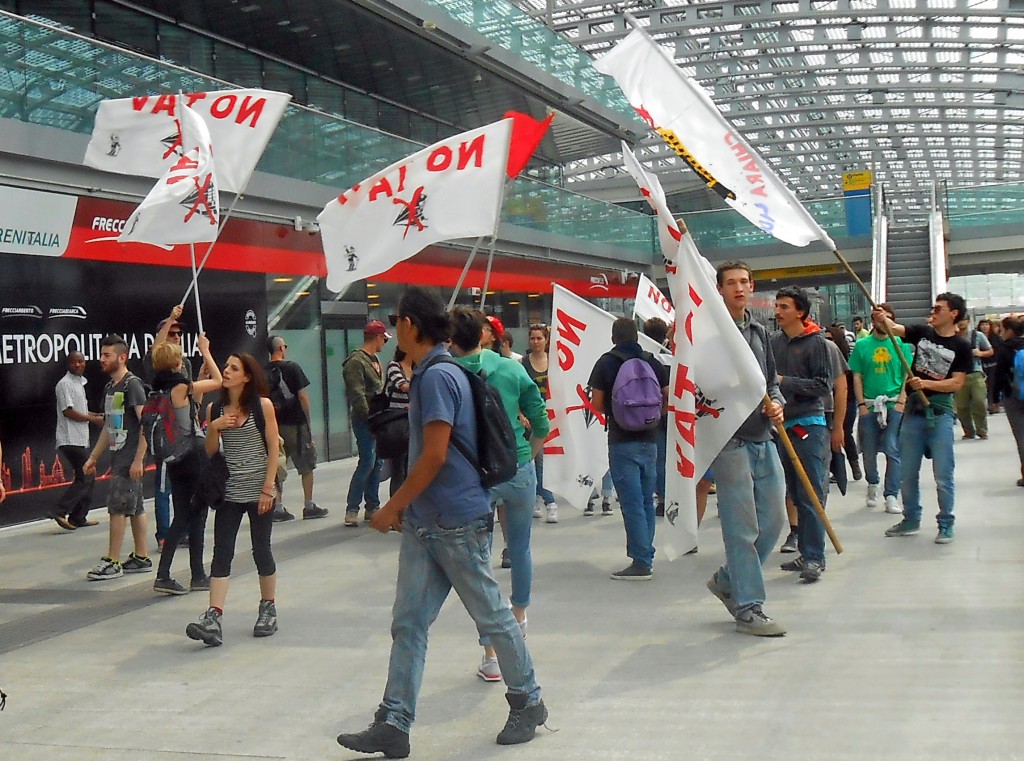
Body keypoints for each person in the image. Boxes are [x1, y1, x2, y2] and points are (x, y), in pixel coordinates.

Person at [336, 288, 547, 757]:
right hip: (429, 521)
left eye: (397, 321)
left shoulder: (436, 377)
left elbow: (434, 454)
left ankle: (528, 701)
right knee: (409, 622)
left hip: (454, 520)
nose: (394, 330)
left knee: (491, 616)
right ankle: (394, 722)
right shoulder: (437, 371)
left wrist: (392, 506)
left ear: (411, 326)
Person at [448, 307, 549, 682]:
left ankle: (491, 652)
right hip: (518, 468)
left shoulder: (450, 373)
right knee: (519, 547)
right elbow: (541, 420)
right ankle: (519, 616)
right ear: (485, 334)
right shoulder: (511, 367)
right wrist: (527, 455)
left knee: (479, 558)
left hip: (475, 476)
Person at [706, 262, 787, 636]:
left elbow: (770, 381)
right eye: (731, 283)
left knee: (773, 521)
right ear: (719, 289)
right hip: (729, 439)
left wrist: (776, 400)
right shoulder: (708, 335)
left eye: (744, 282)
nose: (738, 288)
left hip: (763, 434)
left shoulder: (759, 331)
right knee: (742, 529)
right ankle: (748, 606)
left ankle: (728, 579)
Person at [186, 353, 281, 646]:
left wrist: (268, 487)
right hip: (230, 490)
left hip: (259, 489)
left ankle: (268, 607)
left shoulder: (262, 406)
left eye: (233, 368)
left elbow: (274, 448)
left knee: (260, 550)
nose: (226, 372)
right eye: (226, 367)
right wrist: (214, 427)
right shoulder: (215, 408)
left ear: (247, 376)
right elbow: (213, 451)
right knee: (222, 551)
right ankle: (213, 616)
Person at [873, 293, 972, 544]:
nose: (934, 312)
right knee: (908, 471)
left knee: (943, 474)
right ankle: (911, 518)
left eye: (939, 309)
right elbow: (895, 329)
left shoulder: (961, 346)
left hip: (939, 415)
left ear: (954, 314)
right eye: (934, 308)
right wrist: (882, 319)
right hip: (913, 414)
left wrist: (926, 383)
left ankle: (946, 522)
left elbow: (957, 383)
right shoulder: (922, 332)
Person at [588, 317, 669, 581]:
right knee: (647, 500)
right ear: (636, 336)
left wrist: (618, 413)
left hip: (621, 440)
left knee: (631, 503)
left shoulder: (606, 362)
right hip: (651, 438)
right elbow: (667, 395)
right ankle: (647, 554)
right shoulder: (652, 360)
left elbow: (597, 404)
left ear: (613, 338)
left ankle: (641, 561)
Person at [151, 336, 223, 595]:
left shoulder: (158, 388)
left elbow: (193, 408)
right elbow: (219, 381)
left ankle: (193, 573)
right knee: (194, 514)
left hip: (175, 457)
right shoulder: (181, 385)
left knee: (185, 511)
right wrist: (206, 352)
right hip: (193, 456)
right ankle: (174, 574)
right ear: (175, 363)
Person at [770, 287, 832, 583]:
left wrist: (784, 382)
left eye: (784, 307)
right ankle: (806, 551)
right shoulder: (774, 342)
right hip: (781, 425)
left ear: (800, 312)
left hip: (808, 424)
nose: (778, 311)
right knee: (794, 492)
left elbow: (822, 385)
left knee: (810, 492)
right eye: (777, 306)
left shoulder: (816, 343)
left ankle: (815, 557)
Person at [83, 335, 152, 580]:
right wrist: (94, 457)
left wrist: (138, 460)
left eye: (107, 355)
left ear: (122, 358)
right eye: (102, 355)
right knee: (136, 508)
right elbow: (108, 426)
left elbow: (146, 422)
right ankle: (141, 556)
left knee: (117, 508)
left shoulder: (132, 385)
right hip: (120, 457)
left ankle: (112, 561)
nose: (101, 359)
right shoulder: (110, 388)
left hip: (129, 460)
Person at [848, 304, 912, 514]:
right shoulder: (862, 345)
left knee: (893, 449)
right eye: (880, 319)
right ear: (873, 321)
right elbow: (857, 376)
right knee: (869, 450)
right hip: (869, 403)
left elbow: (906, 373)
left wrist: (902, 398)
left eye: (888, 319)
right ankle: (873, 483)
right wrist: (861, 404)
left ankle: (891, 494)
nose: (883, 323)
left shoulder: (901, 344)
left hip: (894, 404)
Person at [144, 306, 193, 546]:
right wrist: (171, 318)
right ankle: (165, 534)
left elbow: (192, 399)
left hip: (186, 434)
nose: (176, 337)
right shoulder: (156, 361)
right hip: (166, 433)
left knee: (186, 487)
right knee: (164, 486)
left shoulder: (186, 364)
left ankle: (183, 530)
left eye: (178, 334)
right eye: (171, 333)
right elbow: (156, 348)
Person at [266, 335, 327, 521]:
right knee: (306, 465)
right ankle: (308, 505)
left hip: (274, 425)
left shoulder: (262, 370)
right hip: (296, 424)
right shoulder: (292, 367)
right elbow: (303, 397)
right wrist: (308, 423)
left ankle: (278, 507)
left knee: (277, 464)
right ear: (281, 349)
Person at [342, 321, 390, 526]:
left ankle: (372, 505)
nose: (385, 343)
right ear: (377, 337)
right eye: (384, 339)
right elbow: (357, 393)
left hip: (376, 416)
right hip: (366, 418)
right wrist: (368, 417)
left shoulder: (372, 359)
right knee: (367, 461)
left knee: (377, 462)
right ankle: (352, 508)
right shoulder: (356, 361)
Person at [51, 351, 104, 530]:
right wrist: (93, 419)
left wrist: (96, 415)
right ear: (68, 364)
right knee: (85, 475)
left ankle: (78, 517)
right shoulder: (64, 384)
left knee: (90, 474)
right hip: (69, 438)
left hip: (80, 438)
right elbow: (69, 412)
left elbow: (81, 410)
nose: (79, 365)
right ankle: (59, 510)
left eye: (81, 361)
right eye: (74, 362)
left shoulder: (80, 384)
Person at [522, 324, 557, 521]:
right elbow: (516, 389)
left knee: (544, 461)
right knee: (537, 459)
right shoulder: (522, 363)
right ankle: (548, 501)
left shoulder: (554, 363)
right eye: (533, 338)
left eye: (539, 338)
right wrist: (520, 413)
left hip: (553, 418)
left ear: (546, 340)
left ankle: (540, 497)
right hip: (531, 420)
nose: (536, 342)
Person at [641, 316, 671, 518]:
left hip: (651, 412)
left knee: (658, 459)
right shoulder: (670, 356)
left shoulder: (645, 357)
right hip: (672, 412)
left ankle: (661, 498)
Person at [825, 324, 862, 481]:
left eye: (830, 339)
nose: (827, 343)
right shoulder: (821, 358)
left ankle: (854, 465)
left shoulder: (844, 358)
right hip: (828, 403)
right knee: (831, 436)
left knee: (845, 433)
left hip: (848, 400)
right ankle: (839, 471)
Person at [993, 316, 1024, 486]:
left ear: (1009, 330)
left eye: (1001, 329)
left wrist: (995, 397)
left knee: (1021, 435)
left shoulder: (1005, 348)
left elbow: (999, 374)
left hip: (1013, 395)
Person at [953, 319, 993, 439]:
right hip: (958, 374)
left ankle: (982, 430)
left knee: (979, 401)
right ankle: (968, 431)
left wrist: (980, 353)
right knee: (961, 406)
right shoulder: (952, 336)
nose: (961, 323)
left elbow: (990, 351)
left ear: (968, 321)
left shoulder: (977, 335)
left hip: (976, 372)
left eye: (963, 320)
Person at [383, 347, 414, 496]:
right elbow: (403, 386)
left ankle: (408, 507)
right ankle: (396, 510)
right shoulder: (394, 365)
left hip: (413, 421)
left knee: (411, 466)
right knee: (398, 467)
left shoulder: (418, 367)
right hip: (397, 422)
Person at [978, 318, 1004, 413]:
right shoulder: (977, 337)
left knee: (993, 384)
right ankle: (988, 404)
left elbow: (999, 351)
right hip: (982, 365)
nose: (985, 327)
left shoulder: (995, 338)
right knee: (984, 385)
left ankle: (993, 404)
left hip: (994, 364)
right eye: (983, 325)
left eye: (987, 324)